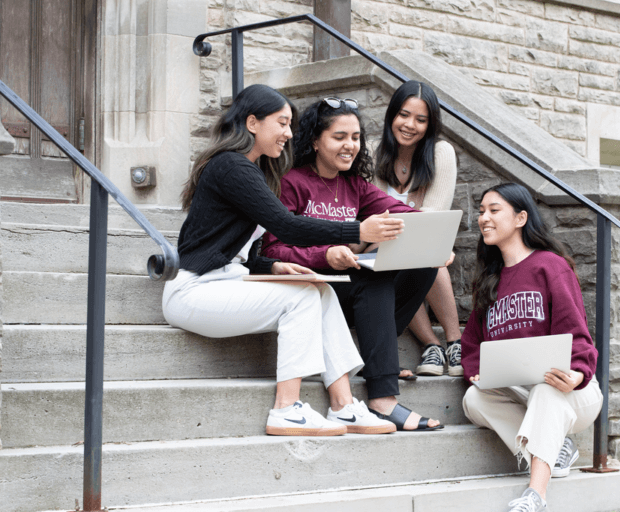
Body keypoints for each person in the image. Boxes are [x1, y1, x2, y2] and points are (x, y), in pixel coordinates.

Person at [162, 84, 402, 437]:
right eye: (283, 123)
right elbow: (287, 227)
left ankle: (344, 406)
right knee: (301, 297)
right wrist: (356, 230)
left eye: (291, 125)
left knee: (319, 290)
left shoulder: (251, 170)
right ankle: (286, 409)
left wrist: (270, 266)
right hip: (193, 291)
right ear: (253, 123)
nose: (290, 134)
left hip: (225, 281)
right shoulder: (231, 167)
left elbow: (234, 250)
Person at [262, 96, 448, 431]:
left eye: (356, 137)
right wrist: (325, 255)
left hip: (347, 292)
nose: (350, 145)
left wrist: (434, 240)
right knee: (373, 280)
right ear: (316, 141)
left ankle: (377, 355)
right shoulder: (292, 182)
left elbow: (401, 213)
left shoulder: (355, 186)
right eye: (339, 137)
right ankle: (382, 398)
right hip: (307, 290)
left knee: (424, 265)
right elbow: (272, 250)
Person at [460, 183, 603, 511]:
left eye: (494, 210)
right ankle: (556, 448)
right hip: (520, 391)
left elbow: (578, 334)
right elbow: (472, 344)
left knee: (546, 389)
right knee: (473, 399)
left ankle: (535, 495)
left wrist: (577, 374)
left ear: (521, 217)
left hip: (573, 392)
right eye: (481, 211)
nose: (484, 218)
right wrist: (477, 372)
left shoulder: (550, 266)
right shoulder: (489, 280)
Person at [372, 80, 462, 378]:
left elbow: (433, 214)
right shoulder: (374, 151)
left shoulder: (441, 152)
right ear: (392, 116)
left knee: (426, 249)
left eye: (420, 119)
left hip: (421, 247)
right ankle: (431, 344)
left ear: (430, 123)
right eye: (404, 115)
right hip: (381, 246)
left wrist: (400, 222)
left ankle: (455, 341)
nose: (410, 125)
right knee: (404, 252)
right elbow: (370, 210)